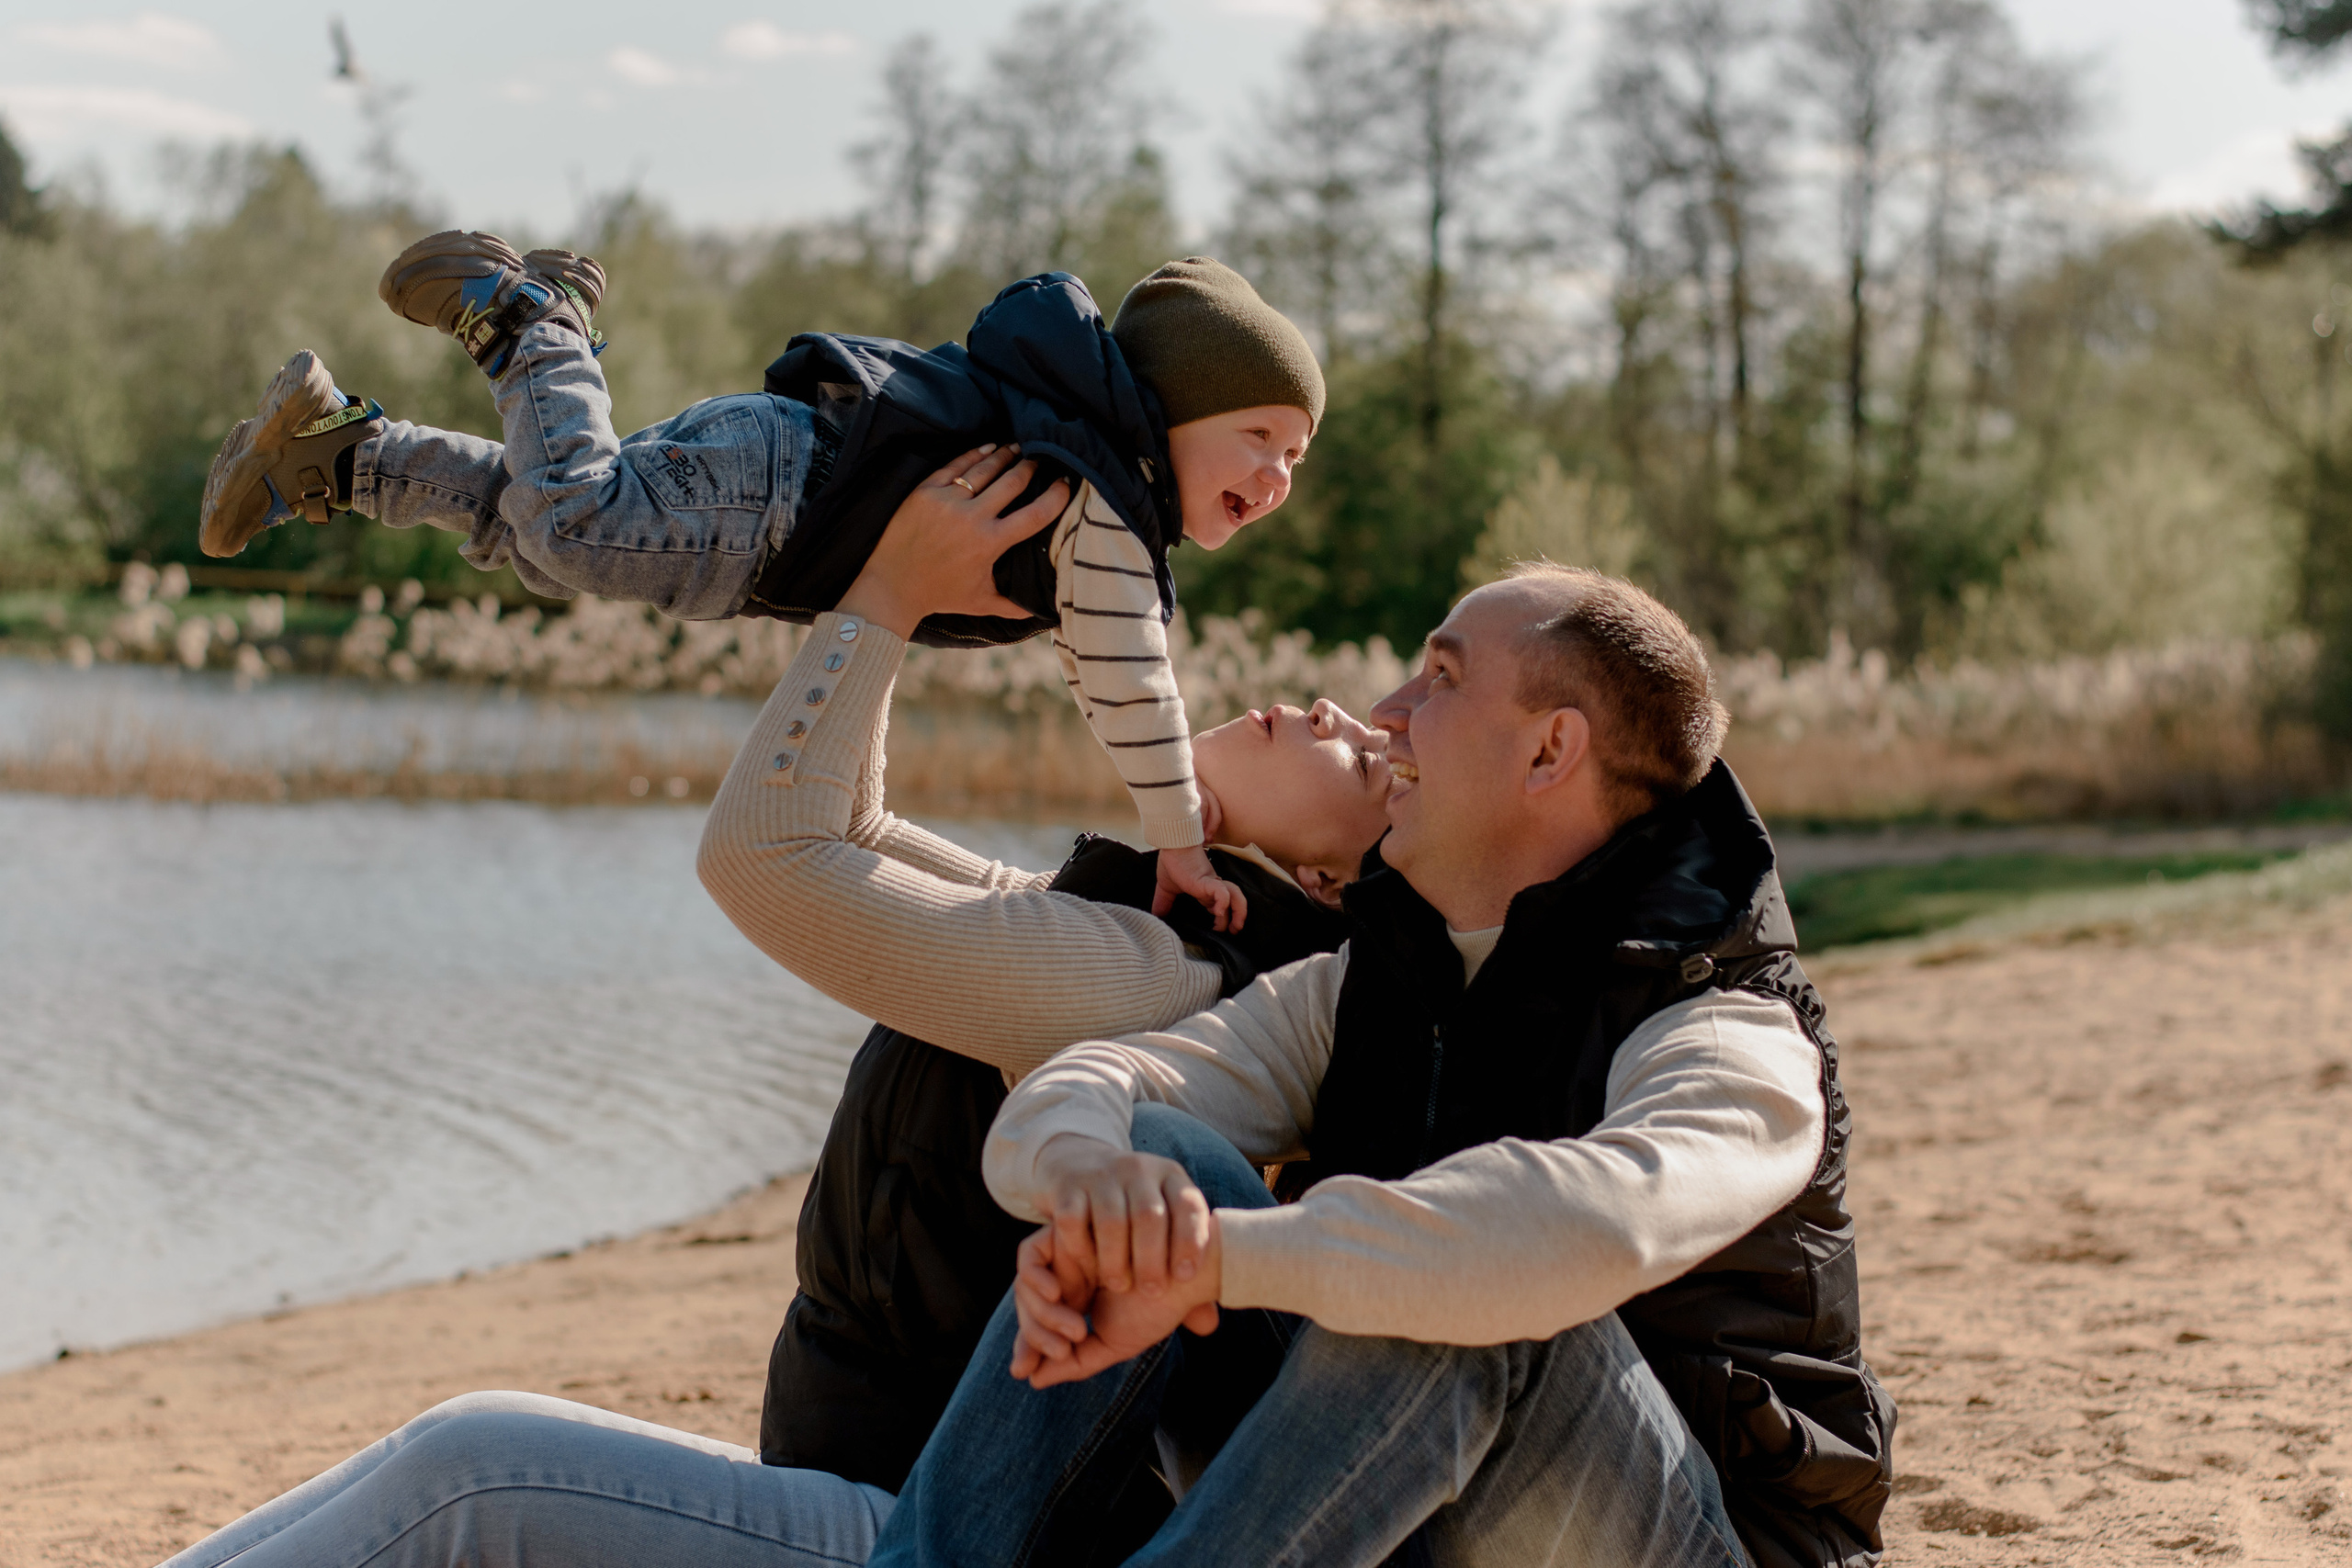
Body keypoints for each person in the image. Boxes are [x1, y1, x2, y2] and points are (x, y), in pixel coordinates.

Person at [153, 445, 1396, 1568]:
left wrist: (886, 602)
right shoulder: (1147, 933)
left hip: (922, 1529)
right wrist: (899, 597)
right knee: (450, 1445)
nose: (1333, 710)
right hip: (866, 1492)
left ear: (1339, 879)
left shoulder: (1151, 982)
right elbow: (848, 826)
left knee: (470, 1474)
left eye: (1369, 759)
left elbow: (763, 853)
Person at [865, 563, 1896, 1567]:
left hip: (1699, 1537)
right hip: (1404, 1504)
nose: (1387, 710)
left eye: (1440, 679)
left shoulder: (1724, 1025)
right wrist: (1091, 1184)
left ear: (1549, 751)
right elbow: (1106, 1085)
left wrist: (1206, 1261)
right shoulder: (1379, 980)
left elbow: (1585, 1229)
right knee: (1156, 1159)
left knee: (1482, 1291)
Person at [196, 236, 1326, 925]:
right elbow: (1135, 683)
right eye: (1260, 437)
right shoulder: (1110, 511)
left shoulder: (1094, 495)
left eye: (1296, 458)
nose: (1277, 476)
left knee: (545, 534)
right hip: (783, 496)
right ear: (1175, 410)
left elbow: (1097, 669)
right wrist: (1178, 831)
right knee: (578, 523)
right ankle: (530, 321)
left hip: (775, 492)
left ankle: (339, 457)